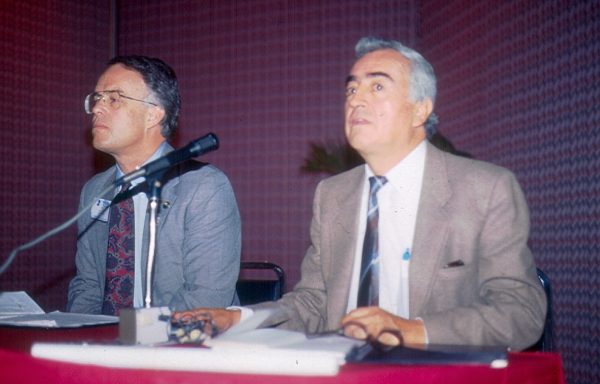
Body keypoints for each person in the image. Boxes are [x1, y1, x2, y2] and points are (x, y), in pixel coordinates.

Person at [175, 37, 546, 350]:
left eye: (377, 86)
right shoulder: (334, 194)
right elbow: (314, 302)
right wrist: (237, 318)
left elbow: (520, 313)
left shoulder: (485, 189)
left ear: (421, 109)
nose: (356, 99)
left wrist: (409, 329)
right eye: (352, 88)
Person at [67, 56, 241, 315]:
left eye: (113, 99)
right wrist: (77, 338)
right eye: (96, 99)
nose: (97, 109)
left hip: (186, 346)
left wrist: (127, 338)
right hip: (108, 344)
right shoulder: (94, 191)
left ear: (153, 114)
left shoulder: (204, 188)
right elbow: (88, 286)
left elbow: (205, 301)